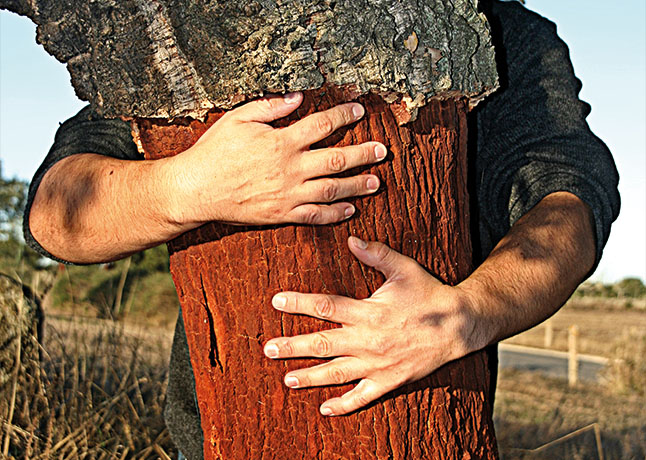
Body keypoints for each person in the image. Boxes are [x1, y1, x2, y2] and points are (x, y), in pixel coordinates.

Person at [24, 0, 620, 458]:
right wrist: (188, 187)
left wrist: (466, 313)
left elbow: (571, 202)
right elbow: (54, 215)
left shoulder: (492, 29)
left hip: (426, 430)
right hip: (214, 442)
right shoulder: (191, 29)